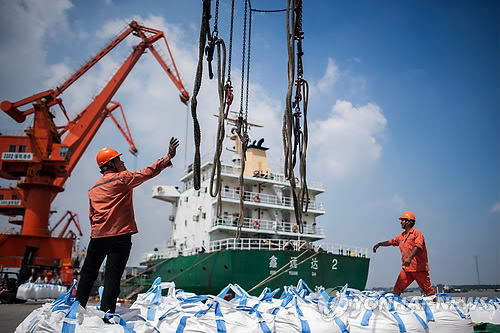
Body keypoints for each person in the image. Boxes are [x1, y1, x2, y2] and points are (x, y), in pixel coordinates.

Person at [75, 138, 179, 314]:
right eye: (119, 159)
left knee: (87, 274)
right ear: (111, 164)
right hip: (119, 236)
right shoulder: (122, 179)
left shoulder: (92, 189)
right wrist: (168, 156)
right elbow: (148, 172)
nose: (122, 161)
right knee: (112, 277)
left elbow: (92, 216)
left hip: (98, 236)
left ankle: (76, 309)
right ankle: (107, 314)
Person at [372, 211, 435, 296]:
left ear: (408, 222)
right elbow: (391, 242)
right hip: (406, 270)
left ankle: (436, 305)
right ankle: (394, 307)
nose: (401, 222)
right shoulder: (401, 236)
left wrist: (409, 258)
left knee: (429, 292)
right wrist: (379, 244)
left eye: (403, 220)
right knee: (396, 290)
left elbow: (418, 247)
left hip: (419, 269)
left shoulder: (417, 234)